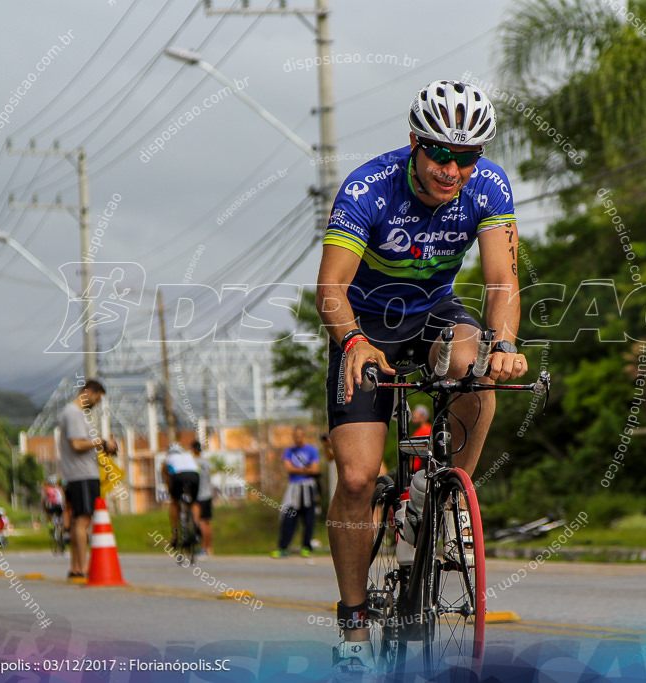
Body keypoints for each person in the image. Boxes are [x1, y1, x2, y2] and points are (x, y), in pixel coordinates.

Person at [316, 80, 527, 674]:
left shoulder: (488, 186)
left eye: (467, 157)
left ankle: (452, 499)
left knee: (475, 364)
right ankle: (354, 625)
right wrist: (353, 340)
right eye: (440, 154)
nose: (452, 170)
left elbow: (501, 283)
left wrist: (505, 344)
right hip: (366, 322)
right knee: (357, 480)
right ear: (414, 142)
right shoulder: (368, 187)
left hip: (434, 311)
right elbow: (330, 288)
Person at [59, 379, 117, 580]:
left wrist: (101, 445)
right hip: (82, 474)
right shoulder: (74, 413)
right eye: (97, 398)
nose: (97, 403)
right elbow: (76, 444)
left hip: (77, 474)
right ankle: (82, 567)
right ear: (90, 392)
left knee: (78, 521)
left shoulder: (73, 413)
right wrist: (100, 441)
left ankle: (76, 566)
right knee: (83, 520)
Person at [272, 427, 321, 559]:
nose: (298, 439)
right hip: (293, 488)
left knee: (309, 518)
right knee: (289, 517)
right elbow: (288, 468)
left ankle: (306, 547)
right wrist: (306, 470)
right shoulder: (289, 451)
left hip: (308, 488)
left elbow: (315, 469)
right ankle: (283, 547)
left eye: (300, 436)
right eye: (296, 436)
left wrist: (298, 469)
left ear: (304, 436)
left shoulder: (312, 450)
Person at [160, 443, 200, 547]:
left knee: (174, 503)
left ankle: (175, 534)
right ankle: (196, 524)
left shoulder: (168, 459)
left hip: (179, 476)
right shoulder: (189, 455)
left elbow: (166, 477)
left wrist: (171, 491)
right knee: (194, 502)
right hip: (194, 475)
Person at [190, 440, 214, 557]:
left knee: (199, 522)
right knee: (207, 522)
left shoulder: (193, 463)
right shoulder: (206, 462)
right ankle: (208, 548)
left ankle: (203, 548)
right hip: (208, 494)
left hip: (198, 495)